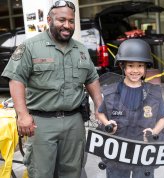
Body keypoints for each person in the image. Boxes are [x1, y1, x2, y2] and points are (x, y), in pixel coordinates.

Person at [1, 1, 102, 178]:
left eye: (71, 21)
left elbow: (92, 78)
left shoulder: (81, 49)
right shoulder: (31, 46)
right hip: (41, 123)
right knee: (41, 173)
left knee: (73, 172)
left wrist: (100, 109)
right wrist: (23, 115)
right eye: (62, 20)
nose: (67, 25)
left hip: (74, 122)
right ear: (49, 19)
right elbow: (16, 79)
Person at [97, 39, 164, 178]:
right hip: (117, 153)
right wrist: (107, 124)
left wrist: (154, 132)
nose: (135, 70)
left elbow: (162, 119)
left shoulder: (153, 93)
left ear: (145, 68)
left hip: (143, 154)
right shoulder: (111, 92)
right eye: (130, 65)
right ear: (122, 66)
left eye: (140, 66)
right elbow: (100, 113)